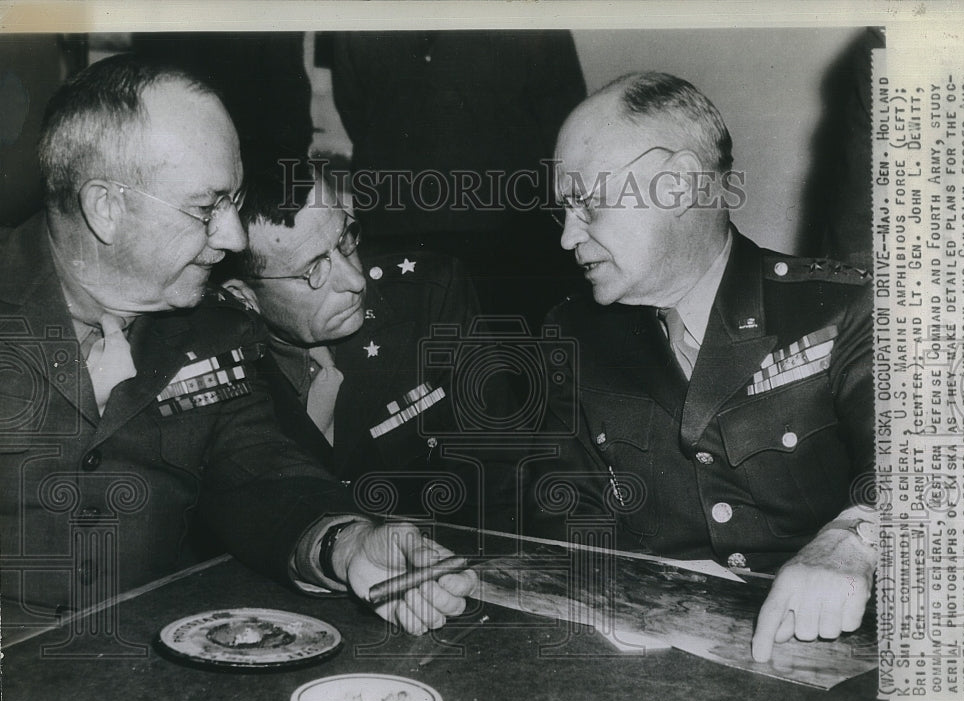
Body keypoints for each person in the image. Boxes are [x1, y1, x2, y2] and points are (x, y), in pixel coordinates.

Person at [0, 54, 475, 638]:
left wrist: (348, 545)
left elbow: (261, 477)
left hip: (153, 670)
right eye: (206, 208)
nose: (230, 238)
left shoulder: (211, 328)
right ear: (106, 208)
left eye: (234, 202)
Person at [531, 72, 877, 662]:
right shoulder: (571, 335)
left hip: (838, 656)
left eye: (588, 203)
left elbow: (933, 471)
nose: (567, 237)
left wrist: (855, 540)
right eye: (564, 210)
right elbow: (562, 522)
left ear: (680, 185)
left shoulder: (844, 308)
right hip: (652, 658)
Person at [218, 161, 514, 529]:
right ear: (243, 296)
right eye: (314, 270)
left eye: (345, 238)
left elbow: (497, 484)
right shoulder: (214, 361)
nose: (355, 280)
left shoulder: (429, 298)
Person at [314, 30, 589, 328]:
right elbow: (354, 105)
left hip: (506, 231)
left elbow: (566, 124)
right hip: (401, 226)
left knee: (510, 351)